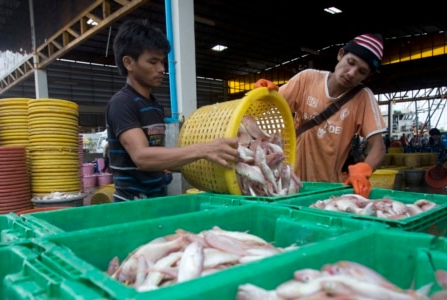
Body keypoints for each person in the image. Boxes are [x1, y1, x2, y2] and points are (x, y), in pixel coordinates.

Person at [106, 19, 241, 201]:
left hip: (157, 200)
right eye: (153, 62)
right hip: (132, 206)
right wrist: (203, 149)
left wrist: (214, 158)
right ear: (129, 63)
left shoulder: (155, 105)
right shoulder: (122, 103)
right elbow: (142, 157)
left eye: (162, 62)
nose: (162, 69)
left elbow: (159, 158)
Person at [256, 33, 387, 197]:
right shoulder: (307, 79)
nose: (352, 73)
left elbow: (379, 147)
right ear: (340, 55)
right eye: (351, 62)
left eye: (361, 71)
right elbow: (268, 108)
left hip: (327, 189)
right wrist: (266, 95)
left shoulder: (363, 98)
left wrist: (363, 170)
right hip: (290, 183)